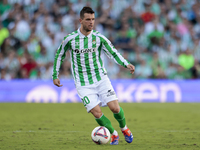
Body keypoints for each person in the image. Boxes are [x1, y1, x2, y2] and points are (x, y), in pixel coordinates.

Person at [52, 6, 135, 145]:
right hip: (83, 84)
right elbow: (59, 55)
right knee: (96, 113)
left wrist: (126, 64)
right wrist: (55, 74)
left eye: (93, 19)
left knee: (115, 108)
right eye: (88, 19)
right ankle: (113, 134)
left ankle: (124, 128)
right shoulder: (70, 39)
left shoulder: (99, 38)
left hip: (101, 79)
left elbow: (113, 52)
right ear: (81, 20)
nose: (91, 22)